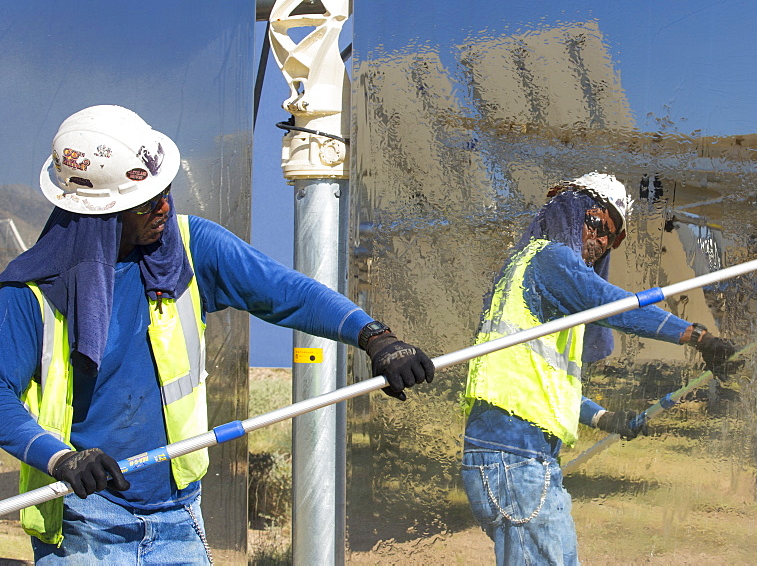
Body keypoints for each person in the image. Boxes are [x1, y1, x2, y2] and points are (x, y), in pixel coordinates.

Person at [0, 105, 435, 563]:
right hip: (87, 521)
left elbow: (286, 292)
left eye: (165, 190)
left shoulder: (189, 248)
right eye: (147, 202)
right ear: (100, 214)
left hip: (179, 514)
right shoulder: (31, 294)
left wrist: (374, 337)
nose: (165, 207)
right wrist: (60, 459)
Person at [460, 172, 740, 565]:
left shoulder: (538, 277)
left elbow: (547, 385)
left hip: (527, 456)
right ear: (570, 212)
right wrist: (696, 337)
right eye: (598, 224)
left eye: (613, 236)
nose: (603, 242)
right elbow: (608, 303)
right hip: (512, 454)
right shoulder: (548, 257)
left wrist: (606, 419)